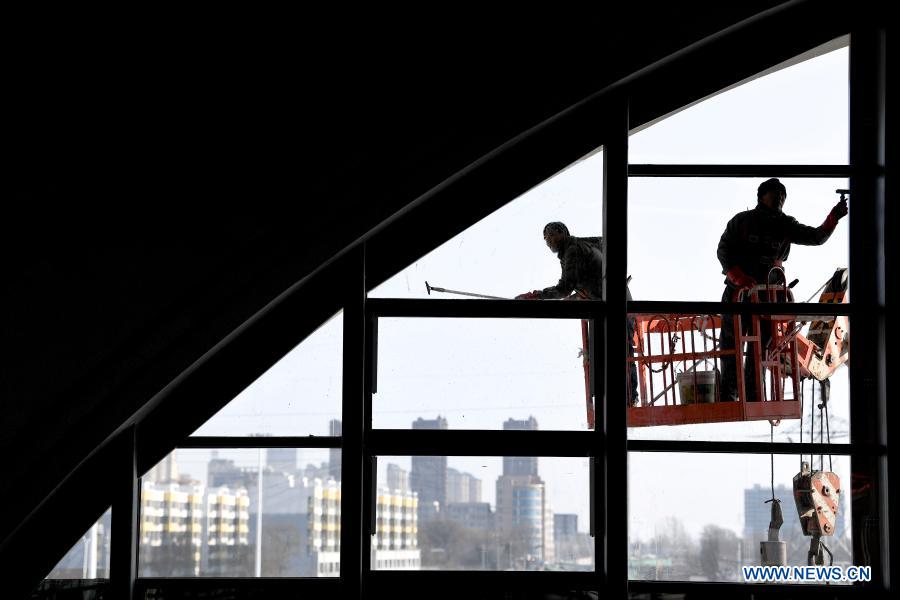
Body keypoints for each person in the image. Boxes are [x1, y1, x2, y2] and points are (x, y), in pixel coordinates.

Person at [717, 178, 848, 401]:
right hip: (739, 295)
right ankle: (730, 393)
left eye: (782, 194)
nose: (779, 198)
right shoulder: (742, 222)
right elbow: (723, 250)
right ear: (761, 196)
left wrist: (833, 218)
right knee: (732, 342)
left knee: (762, 348)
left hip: (769, 297)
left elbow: (816, 237)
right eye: (775, 193)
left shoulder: (785, 225)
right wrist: (737, 276)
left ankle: (753, 394)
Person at [516, 222, 639, 406]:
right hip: (621, 303)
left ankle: (627, 399)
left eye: (551, 236)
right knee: (620, 353)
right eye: (546, 239)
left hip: (614, 308)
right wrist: (580, 294)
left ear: (563, 232)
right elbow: (596, 268)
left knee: (619, 354)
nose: (548, 241)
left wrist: (536, 296)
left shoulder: (572, 251)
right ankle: (627, 397)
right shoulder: (584, 244)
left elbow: (564, 288)